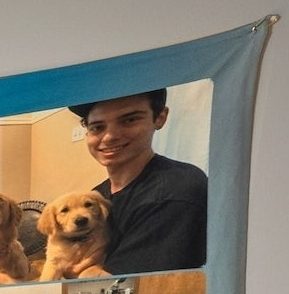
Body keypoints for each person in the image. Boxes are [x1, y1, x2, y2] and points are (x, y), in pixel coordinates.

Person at [68, 88, 206, 274]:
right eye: (97, 127)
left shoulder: (175, 190)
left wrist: (75, 273)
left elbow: (128, 288)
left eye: (129, 120)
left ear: (160, 118)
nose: (109, 137)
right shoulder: (96, 197)